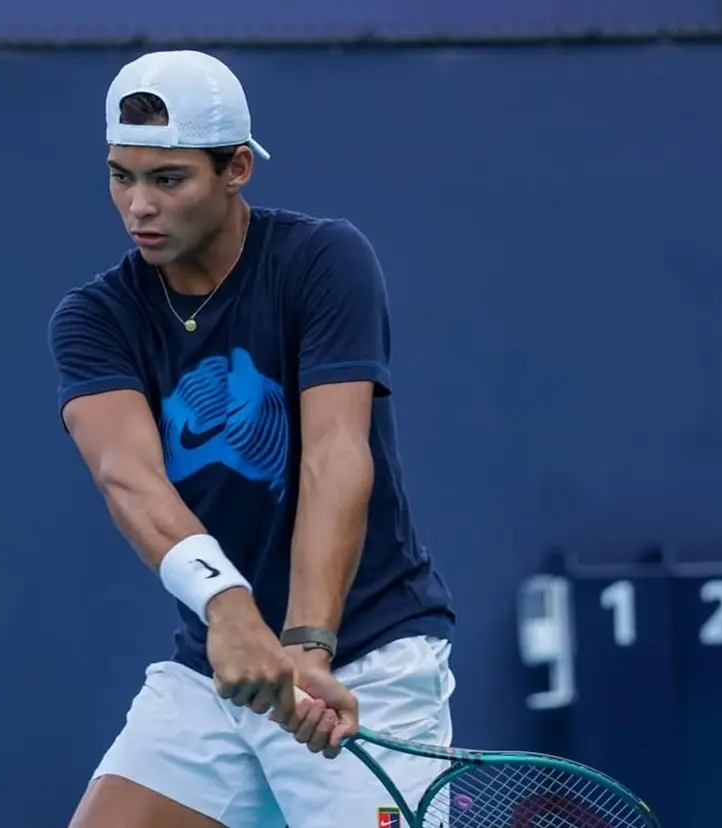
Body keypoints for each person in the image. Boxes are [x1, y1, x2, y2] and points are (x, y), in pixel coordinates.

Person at [48, 49, 457, 828]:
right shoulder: (95, 318)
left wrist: (307, 643)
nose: (138, 205)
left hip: (366, 659)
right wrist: (228, 608)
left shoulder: (322, 261)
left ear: (236, 168)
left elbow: (335, 455)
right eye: (120, 175)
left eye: (168, 180)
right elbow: (128, 479)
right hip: (218, 667)